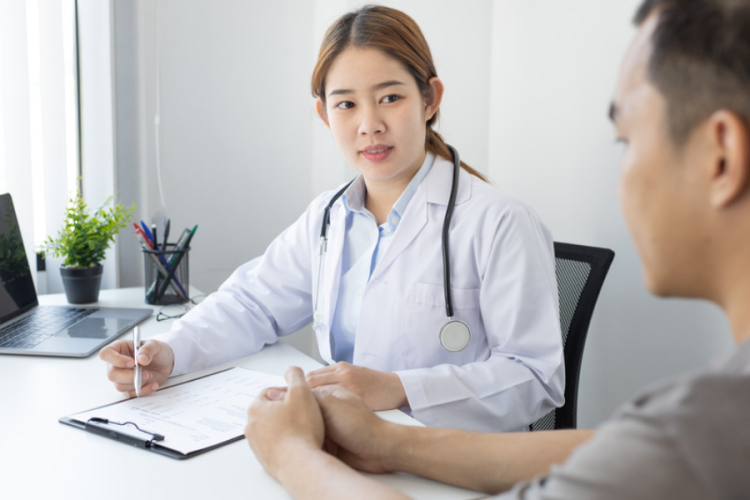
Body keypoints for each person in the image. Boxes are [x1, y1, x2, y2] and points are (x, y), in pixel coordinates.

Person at [243, 0, 750, 498]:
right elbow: (622, 450)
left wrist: (292, 454)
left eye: (627, 140)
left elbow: (550, 388)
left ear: (721, 155)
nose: (369, 122)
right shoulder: (694, 420)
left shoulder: (705, 428)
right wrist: (387, 442)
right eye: (346, 103)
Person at [100, 5, 565, 432]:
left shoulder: (499, 222)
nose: (369, 124)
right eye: (346, 104)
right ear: (324, 114)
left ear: (430, 100)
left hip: (453, 464)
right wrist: (169, 352)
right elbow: (251, 304)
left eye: (390, 98)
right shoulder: (327, 216)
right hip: (348, 445)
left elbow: (536, 378)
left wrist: (400, 388)